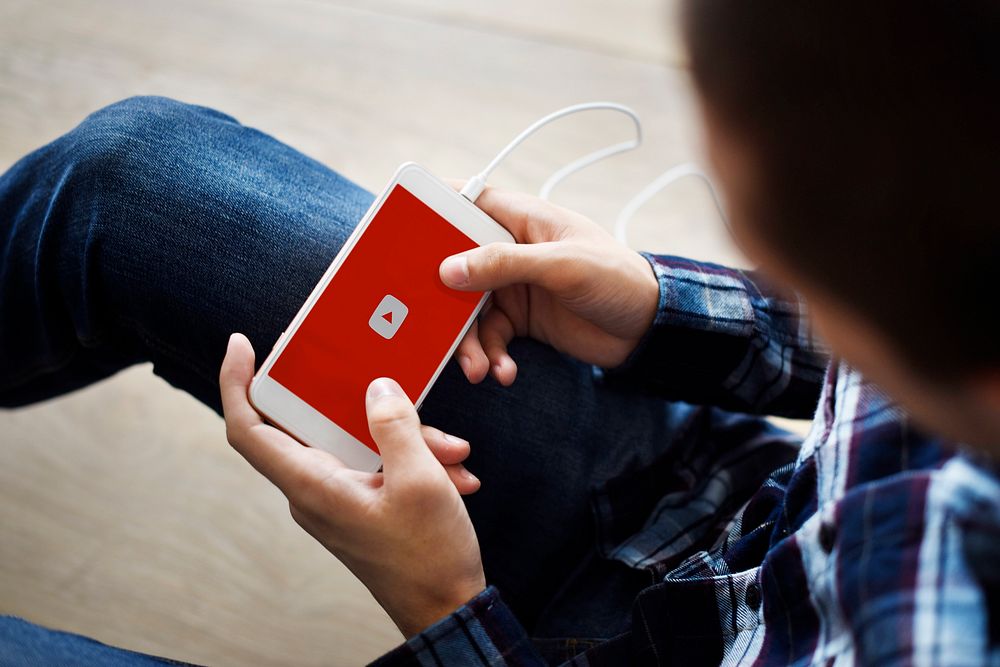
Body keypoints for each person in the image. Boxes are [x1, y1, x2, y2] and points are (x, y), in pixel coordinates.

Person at [2, 0, 999, 664]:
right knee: (129, 174)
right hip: (719, 504)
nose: (771, 279)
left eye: (792, 264)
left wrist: (445, 610)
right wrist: (659, 306)